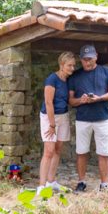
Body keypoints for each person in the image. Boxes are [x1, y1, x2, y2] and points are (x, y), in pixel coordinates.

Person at [68, 45, 108, 193]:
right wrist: (81, 100)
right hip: (82, 119)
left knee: (104, 152)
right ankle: (81, 182)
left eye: (90, 59)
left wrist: (99, 98)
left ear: (96, 56)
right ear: (80, 60)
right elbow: (71, 101)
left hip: (103, 119)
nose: (87, 63)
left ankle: (104, 185)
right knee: (81, 151)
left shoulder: (106, 71)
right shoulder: (75, 75)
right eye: (84, 60)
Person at [37, 52, 76, 193]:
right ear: (61, 65)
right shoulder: (51, 79)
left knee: (58, 149)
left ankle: (51, 182)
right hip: (49, 117)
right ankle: (41, 186)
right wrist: (52, 125)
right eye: (69, 65)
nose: (72, 68)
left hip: (63, 115)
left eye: (73, 65)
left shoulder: (69, 80)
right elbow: (48, 103)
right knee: (49, 151)